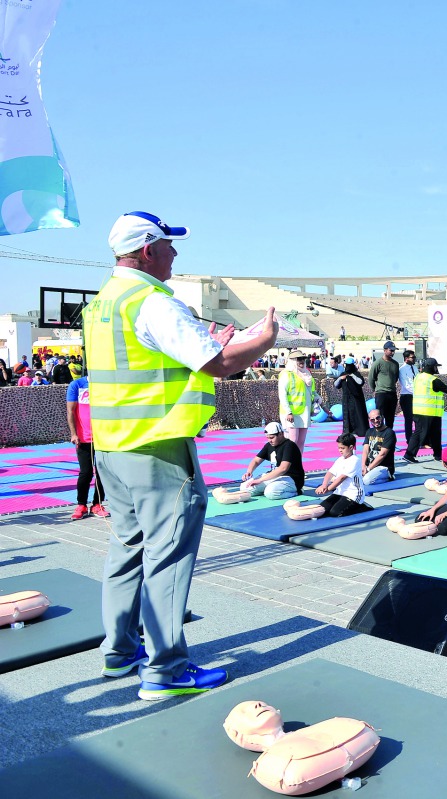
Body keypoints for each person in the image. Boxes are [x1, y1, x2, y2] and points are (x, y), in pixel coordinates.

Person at [88, 210, 277, 699]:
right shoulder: (153, 303)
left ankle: (120, 651)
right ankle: (166, 669)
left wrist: (204, 346)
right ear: (148, 249)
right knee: (168, 555)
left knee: (126, 549)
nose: (175, 253)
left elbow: (144, 364)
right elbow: (218, 365)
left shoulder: (105, 302)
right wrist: (263, 341)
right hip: (158, 449)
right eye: (170, 245)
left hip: (111, 446)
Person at [66, 366, 107, 520]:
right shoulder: (77, 385)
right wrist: (73, 434)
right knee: (86, 472)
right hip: (83, 438)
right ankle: (81, 504)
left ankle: (97, 504)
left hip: (104, 438)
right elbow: (70, 411)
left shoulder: (105, 386)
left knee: (103, 472)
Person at [403, 358, 447, 462]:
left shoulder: (418, 377)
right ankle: (409, 455)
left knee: (435, 434)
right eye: (435, 366)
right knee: (419, 434)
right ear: (431, 367)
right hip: (427, 412)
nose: (436, 368)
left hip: (425, 411)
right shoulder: (432, 380)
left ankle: (438, 455)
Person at [278, 350, 314, 452]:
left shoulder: (306, 374)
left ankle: (297, 465)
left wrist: (318, 402)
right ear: (292, 360)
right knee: (292, 441)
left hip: (304, 412)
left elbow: (311, 392)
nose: (302, 361)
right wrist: (288, 412)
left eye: (303, 359)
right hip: (291, 414)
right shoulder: (286, 374)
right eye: (299, 359)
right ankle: (287, 464)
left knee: (301, 442)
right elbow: (282, 394)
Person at [334, 360, 369, 438]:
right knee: (347, 415)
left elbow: (360, 382)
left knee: (357, 414)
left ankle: (359, 431)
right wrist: (340, 378)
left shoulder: (356, 374)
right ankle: (348, 431)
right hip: (346, 398)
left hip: (356, 398)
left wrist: (352, 375)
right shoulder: (343, 375)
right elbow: (336, 385)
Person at [362, 409, 397, 485]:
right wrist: (363, 466)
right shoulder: (369, 431)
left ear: (382, 417)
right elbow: (365, 450)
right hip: (370, 465)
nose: (376, 421)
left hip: (383, 467)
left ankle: (389, 477)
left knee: (366, 481)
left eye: (378, 418)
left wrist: (368, 469)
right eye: (372, 419)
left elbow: (382, 454)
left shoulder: (389, 433)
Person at [397, 348, 419, 442]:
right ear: (406, 358)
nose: (414, 359)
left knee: (418, 419)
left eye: (414, 357)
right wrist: (417, 393)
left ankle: (418, 438)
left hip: (416, 396)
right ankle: (409, 439)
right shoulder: (402, 369)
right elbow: (406, 385)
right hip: (407, 396)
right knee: (409, 419)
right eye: (412, 357)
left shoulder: (414, 368)